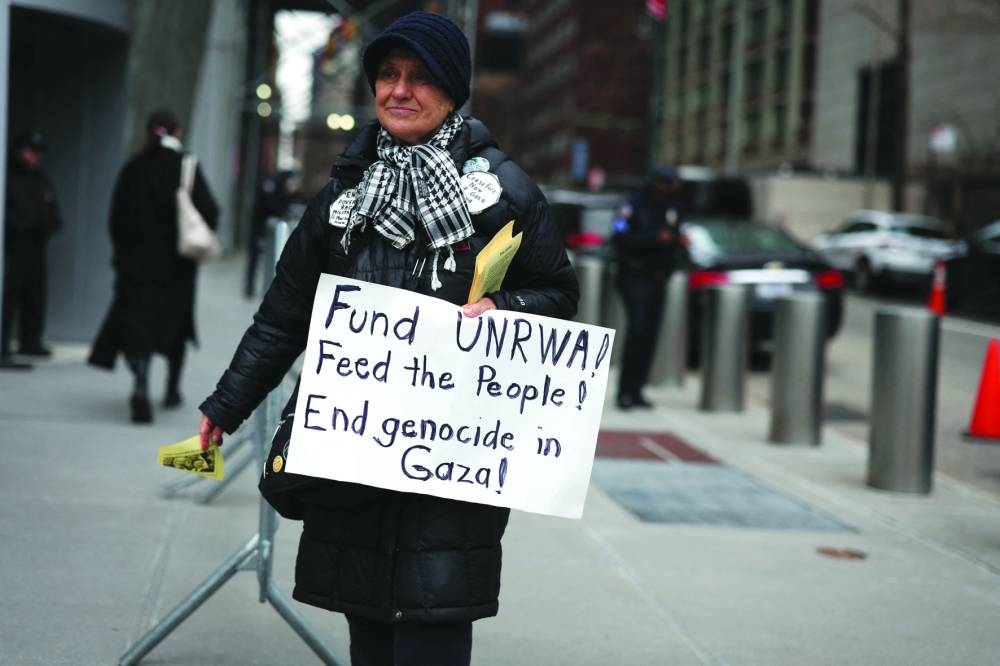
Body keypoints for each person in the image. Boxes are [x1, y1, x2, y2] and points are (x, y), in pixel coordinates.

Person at [197, 12, 578, 666]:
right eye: (388, 75)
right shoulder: (344, 197)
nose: (399, 91)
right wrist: (223, 408)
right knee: (368, 637)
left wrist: (502, 306)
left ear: (453, 91)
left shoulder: (504, 194)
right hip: (356, 465)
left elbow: (560, 300)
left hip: (453, 470)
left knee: (434, 631)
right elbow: (284, 315)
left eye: (420, 78)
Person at [88, 109, 219, 424]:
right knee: (175, 327)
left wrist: (122, 257)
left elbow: (116, 219)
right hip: (177, 267)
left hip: (136, 268)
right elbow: (211, 210)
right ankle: (172, 389)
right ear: (177, 131)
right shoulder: (186, 165)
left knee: (139, 327)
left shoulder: (133, 167)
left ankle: (141, 384)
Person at [611, 165, 684, 410]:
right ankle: (624, 392)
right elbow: (619, 237)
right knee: (637, 331)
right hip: (635, 276)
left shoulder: (671, 205)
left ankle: (638, 389)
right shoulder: (633, 204)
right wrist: (655, 238)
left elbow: (674, 234)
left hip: (659, 276)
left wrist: (676, 241)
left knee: (650, 335)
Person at [2, 130, 62, 364]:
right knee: (9, 294)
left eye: (37, 152)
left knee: (35, 293)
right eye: (30, 151)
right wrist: (20, 225)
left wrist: (48, 225)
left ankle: (31, 339)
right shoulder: (8, 176)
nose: (34, 157)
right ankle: (3, 341)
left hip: (37, 244)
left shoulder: (40, 177)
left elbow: (52, 209)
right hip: (13, 244)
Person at [244, 169, 298, 298]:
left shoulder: (281, 190)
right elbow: (272, 207)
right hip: (259, 228)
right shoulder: (271, 187)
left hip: (268, 230)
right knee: (254, 259)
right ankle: (249, 286)